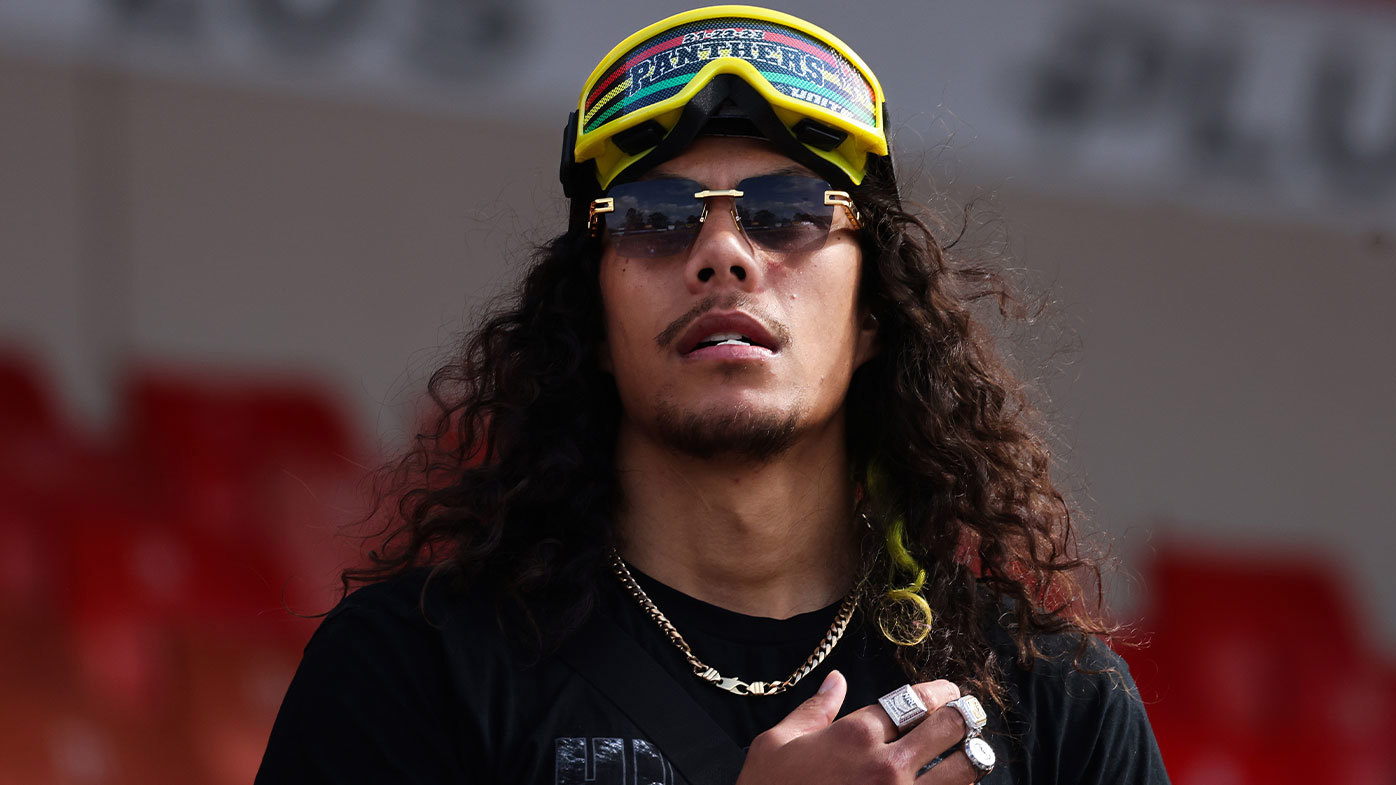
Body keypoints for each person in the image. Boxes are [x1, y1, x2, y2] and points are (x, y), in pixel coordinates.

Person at [256, 6, 1169, 784]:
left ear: (871, 319)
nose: (723, 252)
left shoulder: (1054, 700)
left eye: (788, 212)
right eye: (656, 219)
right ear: (593, 329)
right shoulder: (413, 666)